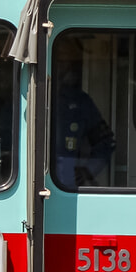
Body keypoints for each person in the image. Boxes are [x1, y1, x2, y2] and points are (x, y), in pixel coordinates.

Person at [51, 49, 115, 189]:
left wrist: (87, 170)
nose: (60, 68)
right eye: (58, 62)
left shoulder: (80, 102)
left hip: (67, 192)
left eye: (65, 64)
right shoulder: (22, 100)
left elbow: (106, 141)